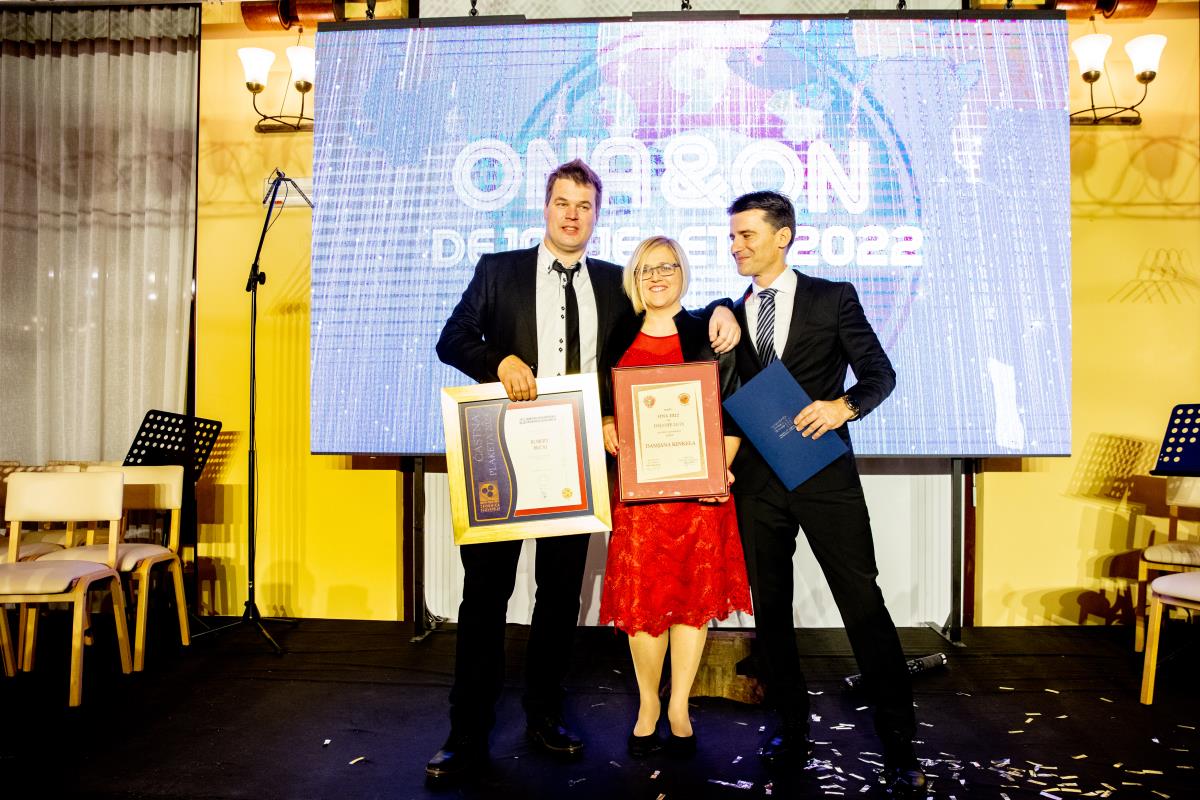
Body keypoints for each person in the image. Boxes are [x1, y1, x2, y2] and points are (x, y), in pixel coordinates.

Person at [429, 160, 740, 787]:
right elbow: (451, 338)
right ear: (545, 207)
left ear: (596, 215)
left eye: (584, 206)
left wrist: (727, 307)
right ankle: (465, 734)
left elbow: (668, 314)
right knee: (485, 594)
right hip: (503, 453)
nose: (572, 215)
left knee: (559, 596)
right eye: (562, 203)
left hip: (578, 461)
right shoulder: (498, 271)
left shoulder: (611, 284)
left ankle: (544, 715)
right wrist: (498, 359)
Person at [724, 191, 927, 795]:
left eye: (746, 235)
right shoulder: (729, 311)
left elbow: (880, 375)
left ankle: (899, 746)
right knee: (772, 614)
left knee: (862, 604)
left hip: (823, 475)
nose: (736, 246)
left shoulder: (833, 297)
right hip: (757, 483)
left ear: (782, 235)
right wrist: (717, 310)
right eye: (732, 237)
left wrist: (843, 407)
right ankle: (791, 730)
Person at [597, 236, 752, 759]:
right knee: (643, 604)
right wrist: (607, 421)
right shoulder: (618, 333)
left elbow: (732, 408)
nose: (657, 277)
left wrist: (719, 471)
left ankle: (680, 706)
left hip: (697, 497)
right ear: (634, 280)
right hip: (638, 499)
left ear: (683, 272)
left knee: (692, 602)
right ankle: (648, 704)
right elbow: (604, 397)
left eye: (667, 267)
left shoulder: (708, 331)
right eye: (646, 269)